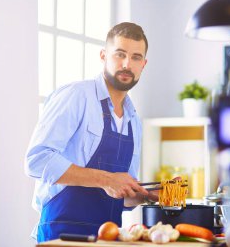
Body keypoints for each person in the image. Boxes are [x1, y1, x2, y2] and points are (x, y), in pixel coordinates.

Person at [25, 22, 158, 242]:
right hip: (62, 233)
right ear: (104, 55)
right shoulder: (77, 96)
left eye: (135, 57)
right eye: (120, 54)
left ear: (143, 64)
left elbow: (121, 195)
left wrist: (145, 196)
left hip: (108, 237)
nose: (127, 64)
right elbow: (36, 160)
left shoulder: (134, 120)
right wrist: (106, 179)